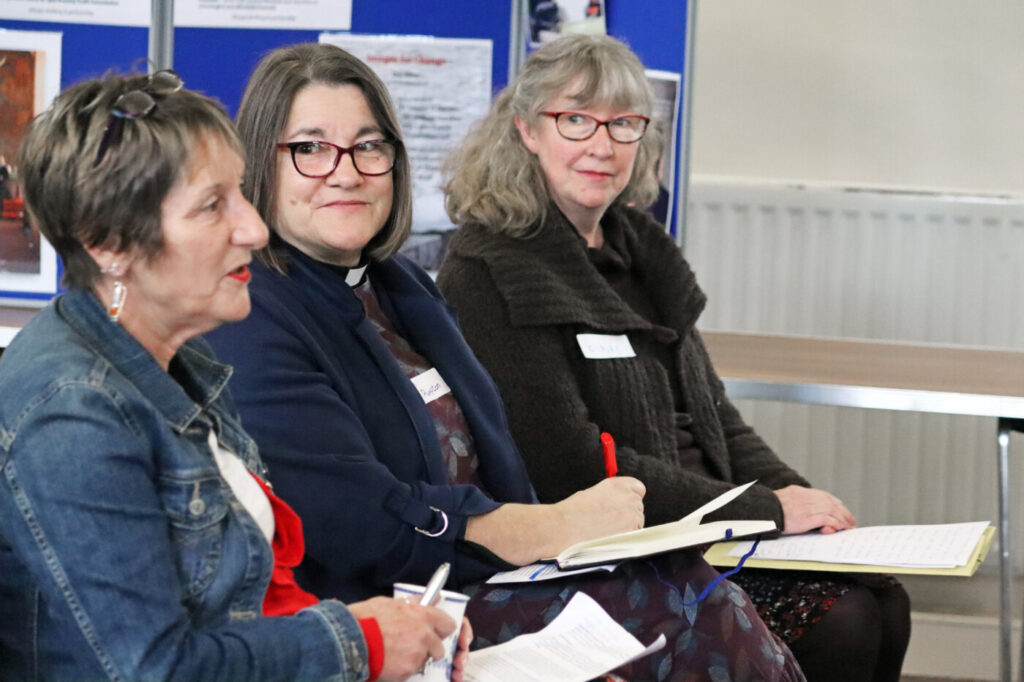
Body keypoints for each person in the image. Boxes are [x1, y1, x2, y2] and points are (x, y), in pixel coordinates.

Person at [205, 42, 805, 682]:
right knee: (689, 615)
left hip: (493, 577)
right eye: (311, 148)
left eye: (368, 147)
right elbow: (354, 519)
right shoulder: (249, 311)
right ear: (260, 166)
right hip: (384, 610)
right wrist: (545, 529)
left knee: (694, 588)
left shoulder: (404, 289)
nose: (346, 172)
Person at [437, 34, 912, 682]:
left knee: (883, 598)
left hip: (704, 532)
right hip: (615, 554)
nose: (602, 145)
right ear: (525, 129)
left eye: (624, 124)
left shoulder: (640, 249)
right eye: (575, 119)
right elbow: (568, 467)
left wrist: (795, 496)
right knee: (846, 619)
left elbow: (715, 420)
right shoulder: (489, 264)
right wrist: (768, 511)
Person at [0, 71, 466, 681]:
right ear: (108, 243)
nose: (252, 228)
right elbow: (159, 669)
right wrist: (361, 642)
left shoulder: (179, 362)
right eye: (212, 205)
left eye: (242, 194)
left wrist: (390, 628)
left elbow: (241, 609)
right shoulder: (74, 412)